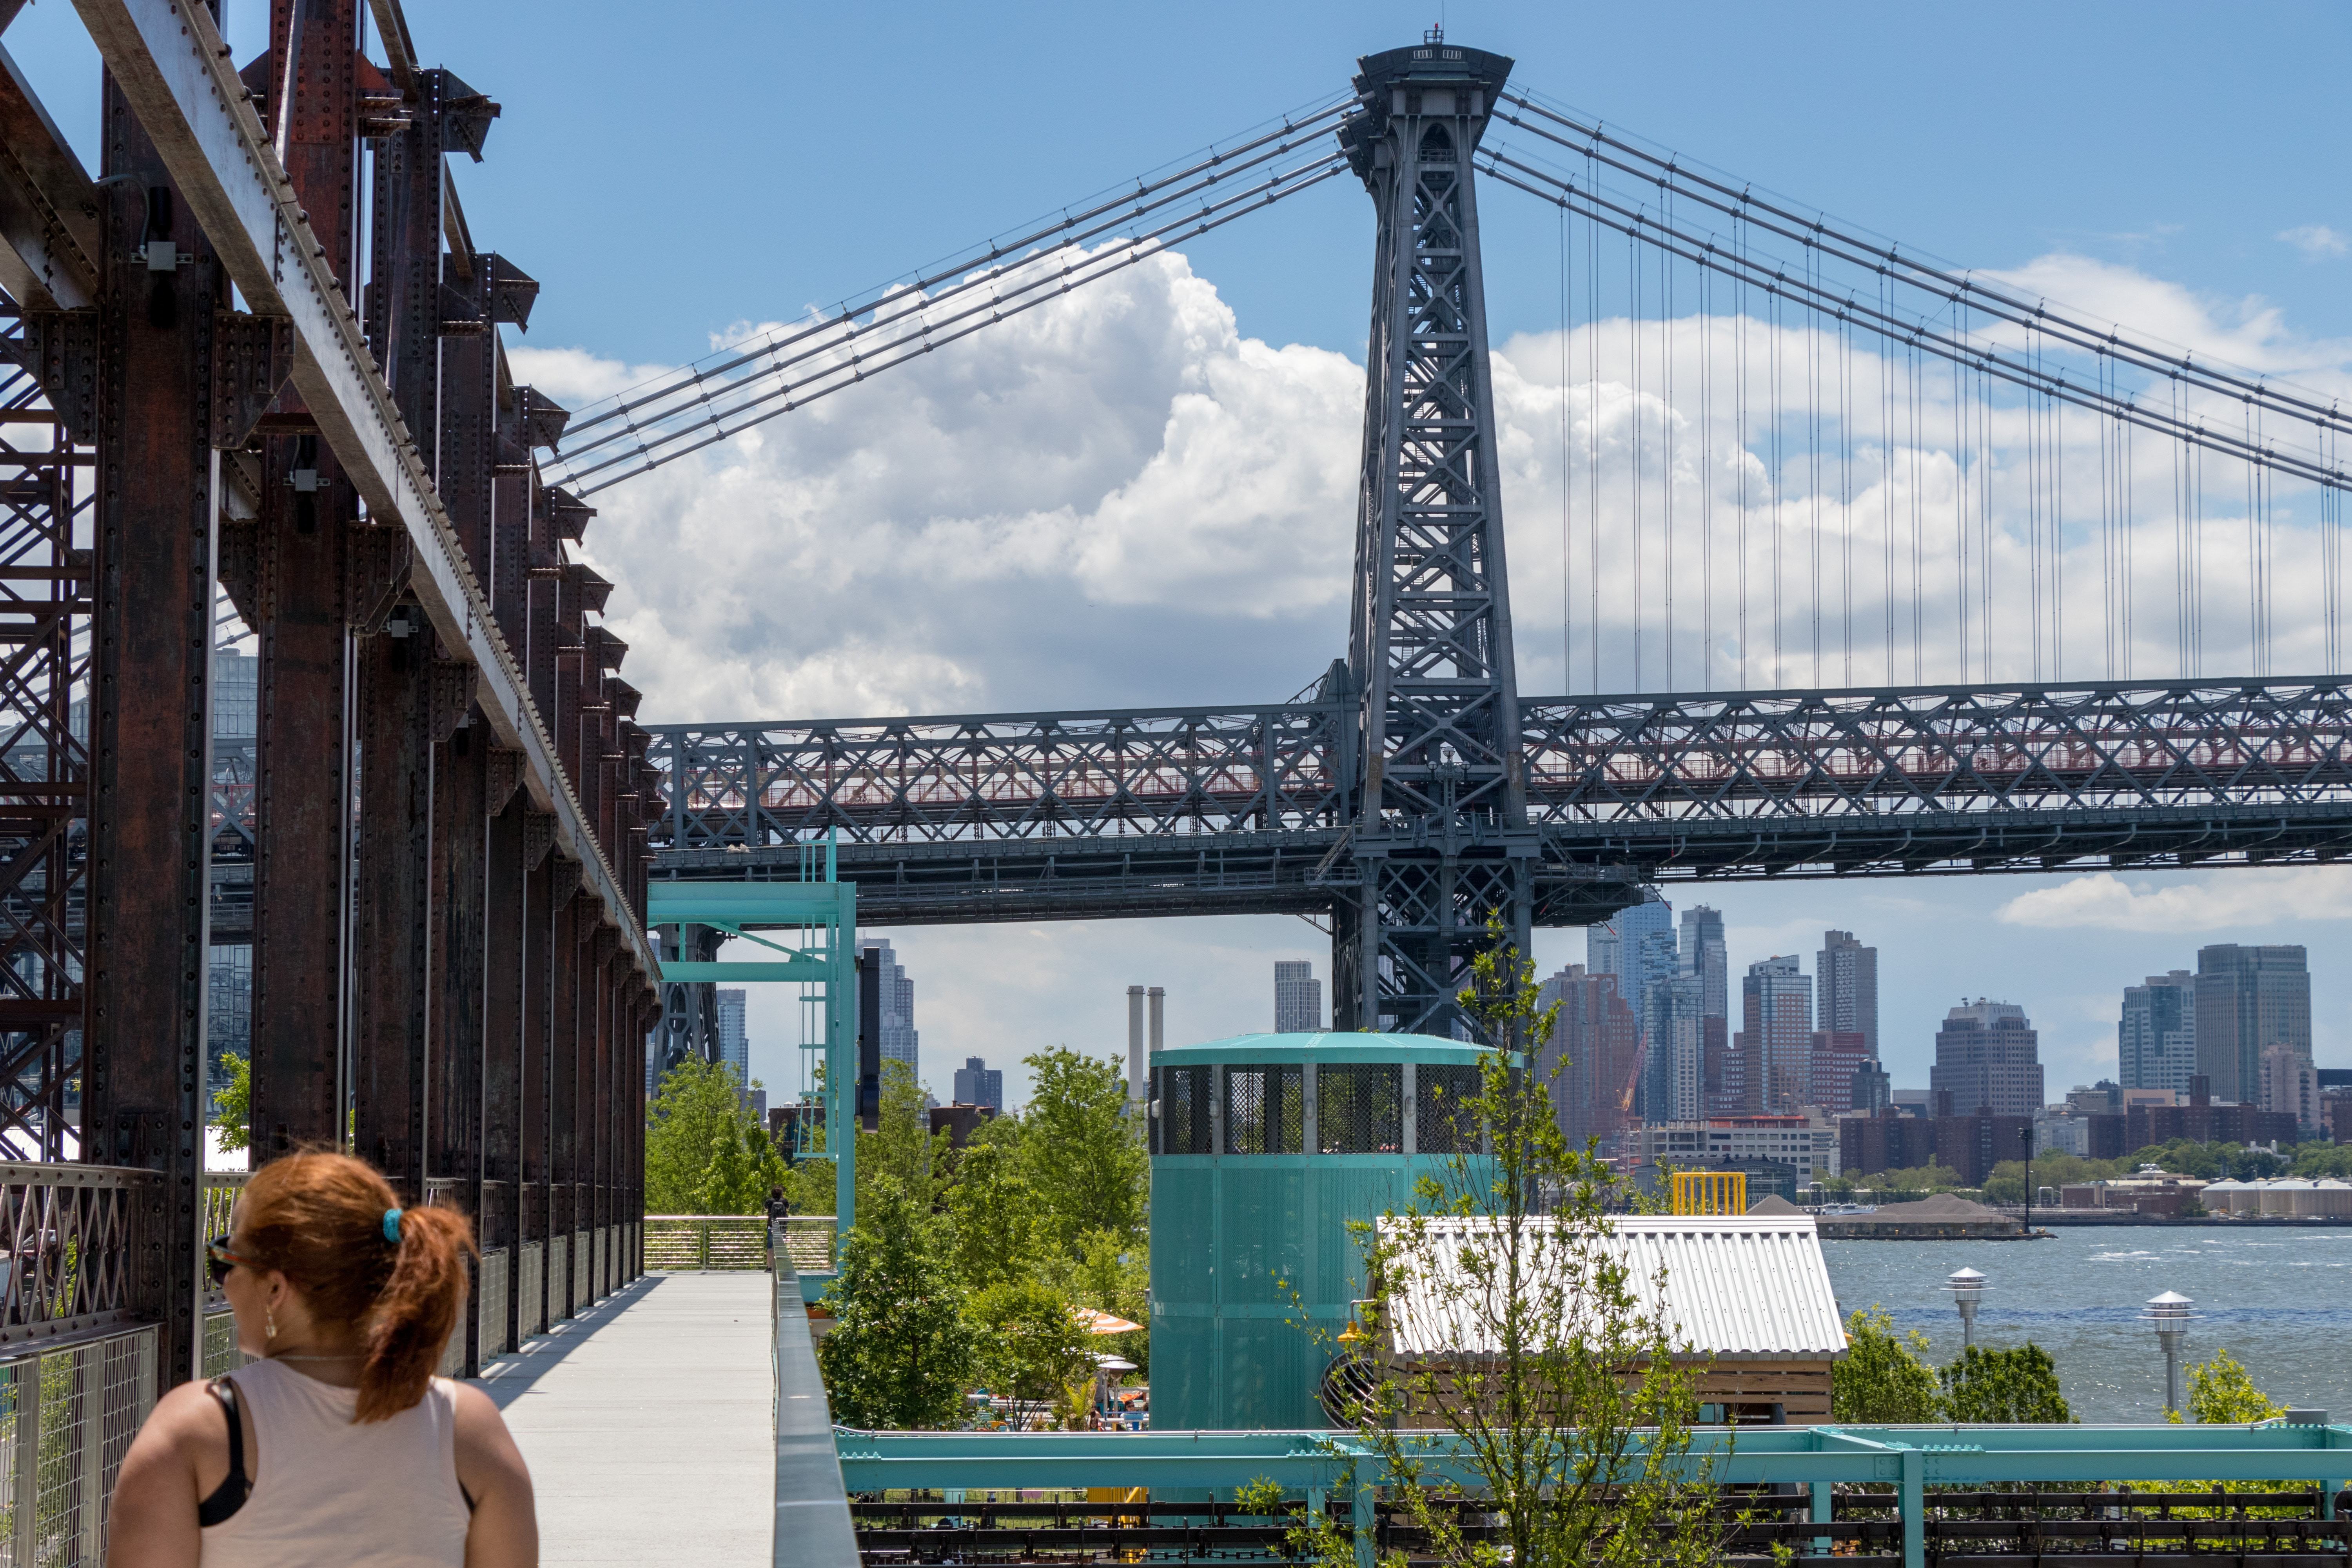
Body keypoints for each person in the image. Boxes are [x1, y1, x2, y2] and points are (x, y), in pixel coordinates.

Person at [108, 1151, 537, 1568]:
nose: (223, 1284)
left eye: (225, 1260)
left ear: (275, 1289)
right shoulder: (468, 1427)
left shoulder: (197, 1428)